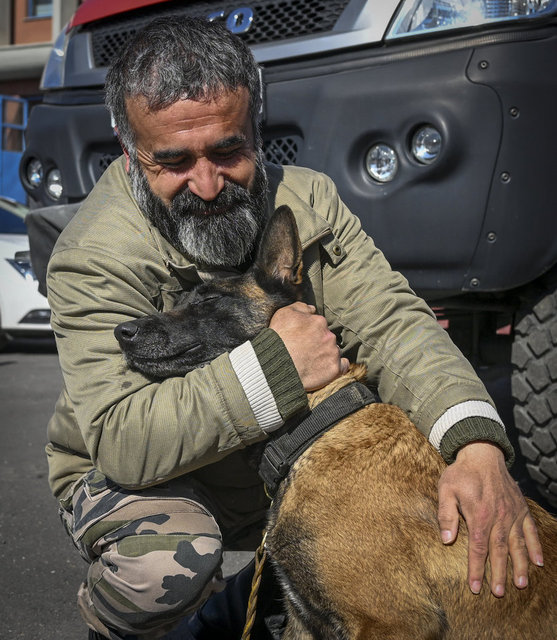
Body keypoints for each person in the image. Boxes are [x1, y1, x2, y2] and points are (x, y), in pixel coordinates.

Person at [45, 16, 543, 640]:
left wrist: (476, 447)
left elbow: (393, 325)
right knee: (167, 566)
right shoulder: (93, 256)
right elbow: (123, 440)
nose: (206, 185)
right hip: (158, 479)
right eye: (172, 161)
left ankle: (254, 602)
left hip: (285, 468)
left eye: (227, 151)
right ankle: (125, 625)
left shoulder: (310, 202)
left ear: (258, 130)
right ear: (129, 150)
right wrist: (278, 366)